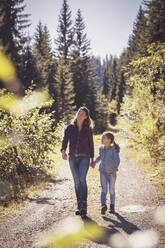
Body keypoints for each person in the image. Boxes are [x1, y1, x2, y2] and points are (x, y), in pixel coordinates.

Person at [61, 106, 95, 217]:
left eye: (82, 114)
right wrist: (63, 151)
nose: (79, 115)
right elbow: (65, 140)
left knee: (82, 180)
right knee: (76, 182)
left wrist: (92, 159)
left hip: (84, 157)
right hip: (72, 158)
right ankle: (79, 205)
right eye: (78, 113)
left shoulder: (88, 129)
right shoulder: (70, 128)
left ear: (86, 117)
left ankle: (84, 206)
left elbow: (91, 144)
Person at [94, 132, 120, 215]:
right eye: (102, 138)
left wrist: (115, 166)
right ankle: (103, 205)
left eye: (103, 138)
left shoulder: (114, 149)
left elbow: (117, 159)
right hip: (103, 172)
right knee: (104, 189)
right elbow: (100, 157)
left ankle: (112, 206)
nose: (102, 139)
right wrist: (94, 162)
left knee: (111, 190)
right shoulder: (101, 148)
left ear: (109, 140)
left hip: (112, 172)